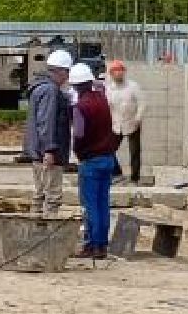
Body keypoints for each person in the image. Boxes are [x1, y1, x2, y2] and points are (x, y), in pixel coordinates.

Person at [68, 62, 122, 259]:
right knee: (102, 204)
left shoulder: (81, 107)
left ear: (75, 86)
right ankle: (102, 245)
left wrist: (78, 153)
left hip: (90, 161)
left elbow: (79, 136)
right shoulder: (102, 100)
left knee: (90, 205)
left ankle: (92, 245)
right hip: (107, 159)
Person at [23, 50, 74, 214]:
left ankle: (35, 231)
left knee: (39, 194)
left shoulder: (40, 88)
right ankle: (48, 233)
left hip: (38, 151)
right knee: (52, 197)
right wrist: (50, 150)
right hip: (48, 153)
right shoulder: (51, 91)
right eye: (67, 72)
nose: (67, 77)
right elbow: (47, 122)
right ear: (60, 71)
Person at [108, 60, 145, 186]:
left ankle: (135, 179)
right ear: (111, 74)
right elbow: (108, 106)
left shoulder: (133, 86)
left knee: (134, 152)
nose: (118, 74)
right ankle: (117, 174)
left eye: (120, 71)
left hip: (132, 122)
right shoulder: (109, 89)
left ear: (124, 72)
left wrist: (138, 118)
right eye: (115, 71)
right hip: (116, 124)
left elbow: (142, 103)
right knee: (108, 150)